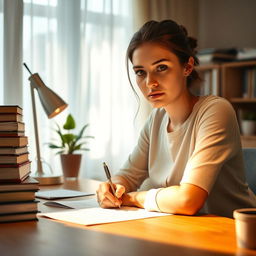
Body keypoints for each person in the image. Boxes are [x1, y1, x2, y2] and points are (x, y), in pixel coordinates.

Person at [96, 19, 256, 218]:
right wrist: (112, 188)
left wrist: (131, 198)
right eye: (140, 72)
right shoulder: (156, 119)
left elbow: (188, 200)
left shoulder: (216, 111)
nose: (150, 82)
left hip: (235, 233)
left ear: (187, 67)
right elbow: (128, 175)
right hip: (186, 231)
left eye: (161, 68)